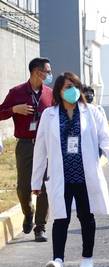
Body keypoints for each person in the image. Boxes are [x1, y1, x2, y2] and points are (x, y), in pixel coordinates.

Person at [31, 72, 109, 267]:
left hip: (84, 175)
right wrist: (36, 181)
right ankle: (58, 261)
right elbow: (41, 149)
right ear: (59, 91)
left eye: (75, 86)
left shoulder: (92, 111)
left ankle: (87, 257)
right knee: (61, 218)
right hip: (61, 176)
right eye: (67, 87)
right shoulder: (49, 115)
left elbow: (106, 137)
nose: (72, 90)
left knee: (86, 217)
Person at [0, 57, 53, 242]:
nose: (49, 74)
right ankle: (28, 212)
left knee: (45, 185)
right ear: (37, 72)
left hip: (45, 145)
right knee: (24, 187)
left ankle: (41, 226)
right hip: (25, 145)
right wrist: (14, 109)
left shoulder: (50, 94)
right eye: (47, 71)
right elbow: (0, 112)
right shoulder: (16, 92)